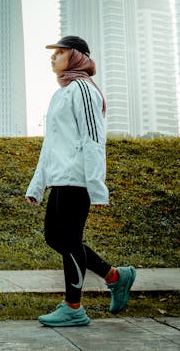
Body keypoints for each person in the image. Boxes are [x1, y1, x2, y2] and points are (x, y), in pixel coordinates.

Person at [26, 35, 136, 327]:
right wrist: (37, 185)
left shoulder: (84, 90)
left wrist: (97, 187)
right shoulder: (61, 93)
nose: (52, 57)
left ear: (76, 57)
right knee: (55, 237)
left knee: (69, 240)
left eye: (59, 53)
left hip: (78, 180)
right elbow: (51, 145)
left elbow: (93, 139)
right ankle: (115, 276)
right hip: (61, 179)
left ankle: (73, 306)